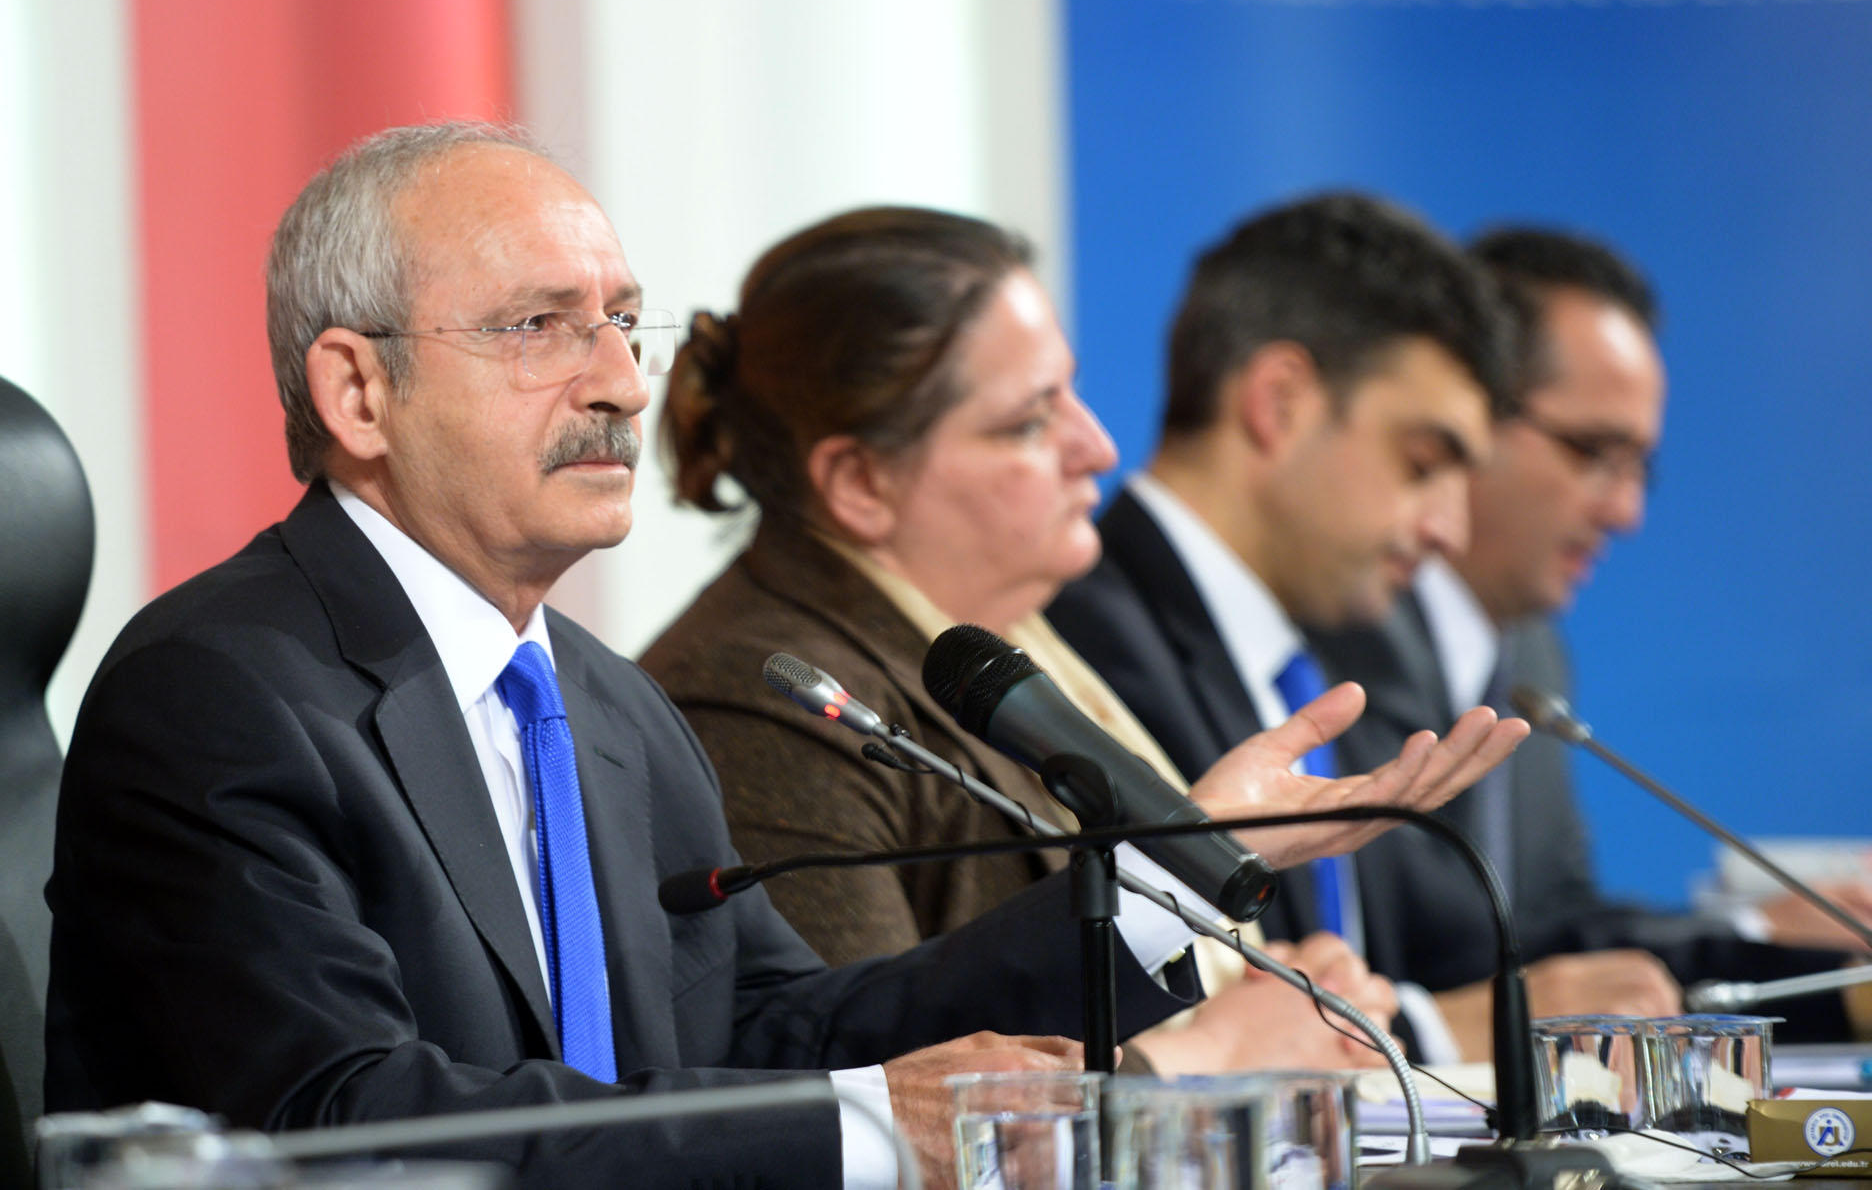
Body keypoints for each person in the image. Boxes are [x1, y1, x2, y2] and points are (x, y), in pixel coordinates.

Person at [40, 122, 1519, 1189]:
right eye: (541, 327)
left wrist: (1171, 867)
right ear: (357, 391)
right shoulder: (223, 691)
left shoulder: (604, 705)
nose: (621, 383)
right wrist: (867, 1127)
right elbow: (340, 1120)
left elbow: (767, 1025)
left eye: (624, 323)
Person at [638, 205, 1524, 1076]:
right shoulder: (762, 696)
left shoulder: (1019, 645)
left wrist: (1273, 985)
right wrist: (1207, 1056)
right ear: (860, 481)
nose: (1098, 446)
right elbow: (868, 1083)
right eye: (1029, 422)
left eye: (1071, 394)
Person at [1310, 226, 1870, 1046]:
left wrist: (1770, 941)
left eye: (1640, 467)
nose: (1626, 511)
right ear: (1472, 412)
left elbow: (1551, 927)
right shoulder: (1330, 630)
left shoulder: (1529, 652)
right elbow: (1443, 952)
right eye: (1594, 453)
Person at [1044, 192, 1530, 1061]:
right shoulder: (1086, 640)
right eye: (1422, 463)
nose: (1449, 531)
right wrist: (1424, 1030)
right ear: (1279, 402)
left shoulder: (1331, 659)